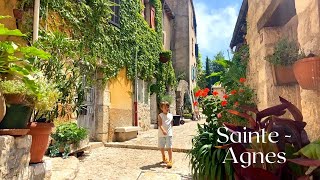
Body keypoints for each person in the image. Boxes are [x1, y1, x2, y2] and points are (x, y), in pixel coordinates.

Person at [158, 101, 173, 168]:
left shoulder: (171, 115)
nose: (167, 108)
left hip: (169, 134)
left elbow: (171, 124)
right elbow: (160, 124)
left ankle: (170, 160)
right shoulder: (160, 115)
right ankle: (163, 156)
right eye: (165, 107)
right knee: (162, 147)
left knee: (169, 147)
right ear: (161, 108)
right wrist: (163, 130)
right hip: (161, 134)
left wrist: (170, 131)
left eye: (167, 107)